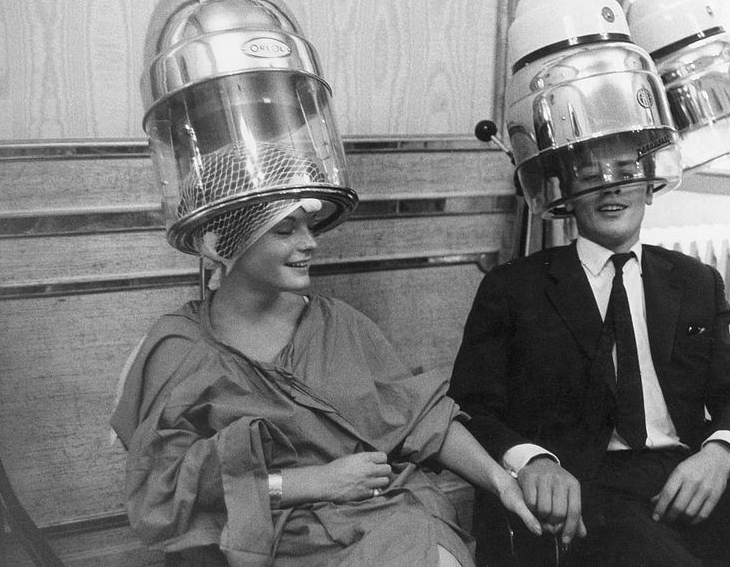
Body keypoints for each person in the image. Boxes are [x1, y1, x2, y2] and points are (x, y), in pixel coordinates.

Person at [448, 135, 730, 566]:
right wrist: (534, 460)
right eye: (591, 178)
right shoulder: (513, 288)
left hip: (694, 483)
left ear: (650, 186)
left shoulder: (694, 280)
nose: (612, 189)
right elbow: (469, 408)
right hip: (593, 502)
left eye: (627, 172)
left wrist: (717, 457)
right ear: (566, 193)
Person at [110, 149, 542, 566]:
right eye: (285, 230)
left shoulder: (340, 324)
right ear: (224, 240)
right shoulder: (180, 350)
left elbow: (424, 419)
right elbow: (163, 490)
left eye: (309, 226)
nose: (310, 242)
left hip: (386, 516)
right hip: (268, 542)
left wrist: (500, 479)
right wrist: (315, 482)